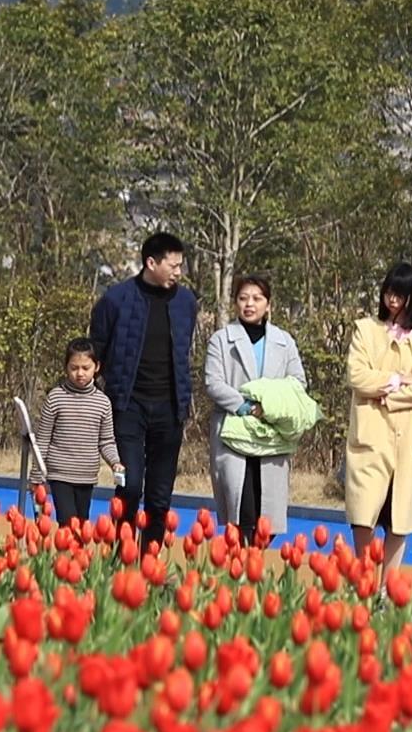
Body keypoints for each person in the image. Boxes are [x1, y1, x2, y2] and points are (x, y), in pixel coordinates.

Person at [90, 231, 199, 550]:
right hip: (127, 408)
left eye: (181, 265)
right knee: (131, 485)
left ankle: (149, 563)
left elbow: (183, 351)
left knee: (160, 494)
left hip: (170, 409)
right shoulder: (115, 300)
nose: (179, 272)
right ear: (151, 263)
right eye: (173, 265)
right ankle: (120, 559)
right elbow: (96, 350)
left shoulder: (186, 303)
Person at [344, 261, 412, 572]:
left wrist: (390, 398)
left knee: (399, 519)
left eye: (400, 295)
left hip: (410, 442)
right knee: (363, 514)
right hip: (371, 438)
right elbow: (357, 376)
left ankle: (387, 589)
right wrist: (399, 380)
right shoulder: (367, 331)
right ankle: (362, 579)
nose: (393, 301)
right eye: (389, 293)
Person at [204, 275, 308, 543]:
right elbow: (213, 382)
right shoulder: (221, 339)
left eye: (257, 298)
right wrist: (246, 406)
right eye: (243, 298)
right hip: (234, 433)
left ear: (268, 305)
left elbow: (298, 382)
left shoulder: (284, 341)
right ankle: (240, 572)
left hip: (271, 434)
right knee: (241, 509)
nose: (249, 304)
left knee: (268, 517)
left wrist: (269, 406)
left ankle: (249, 567)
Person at [29, 339, 124, 528]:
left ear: (96, 367)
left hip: (86, 476)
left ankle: (78, 558)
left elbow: (106, 441)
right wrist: (36, 476)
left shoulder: (103, 403)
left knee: (81, 526)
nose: (80, 373)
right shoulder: (55, 398)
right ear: (66, 368)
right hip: (59, 474)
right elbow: (42, 440)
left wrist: (115, 462)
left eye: (85, 368)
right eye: (74, 368)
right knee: (67, 523)